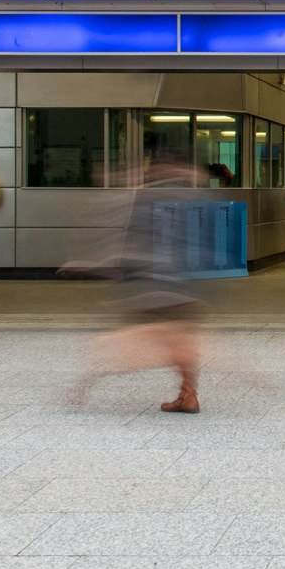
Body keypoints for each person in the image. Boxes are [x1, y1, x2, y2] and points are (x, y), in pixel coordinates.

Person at [65, 153, 207, 413]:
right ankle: (188, 395)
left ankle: (87, 382)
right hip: (172, 281)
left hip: (157, 283)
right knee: (177, 336)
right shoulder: (184, 197)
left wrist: (104, 264)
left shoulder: (154, 199)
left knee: (147, 338)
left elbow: (139, 241)